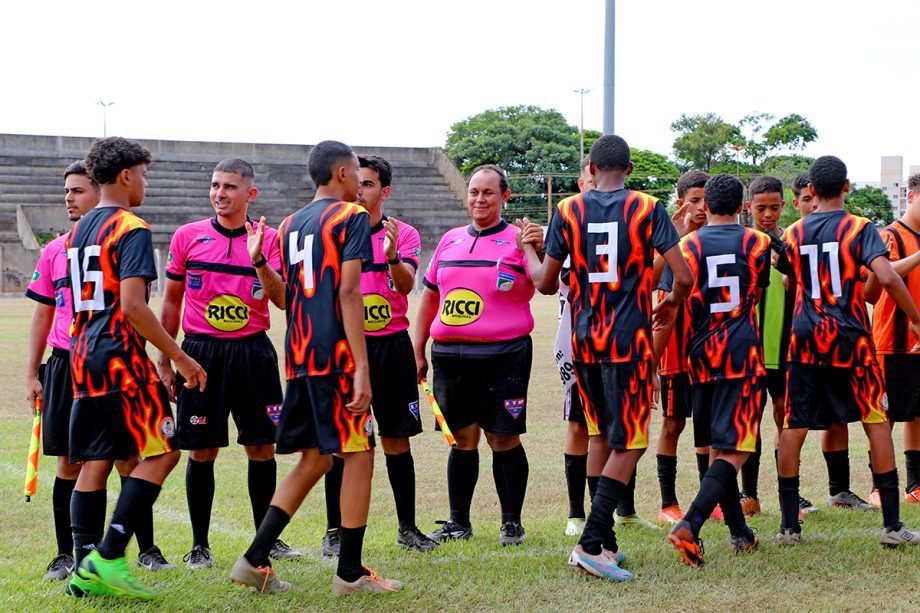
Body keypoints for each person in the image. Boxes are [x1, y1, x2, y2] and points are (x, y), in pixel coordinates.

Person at [230, 140, 401, 595]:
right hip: (337, 356)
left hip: (301, 355)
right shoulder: (351, 217)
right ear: (344, 173)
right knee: (360, 456)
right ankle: (349, 572)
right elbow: (348, 294)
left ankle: (253, 559)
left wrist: (261, 262)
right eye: (357, 176)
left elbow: (289, 298)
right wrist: (362, 368)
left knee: (316, 458)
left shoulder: (288, 224)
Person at [529, 135, 691, 581]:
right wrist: (672, 304)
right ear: (630, 169)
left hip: (584, 343)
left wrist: (528, 250)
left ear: (592, 169)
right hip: (628, 342)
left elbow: (544, 283)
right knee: (632, 441)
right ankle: (591, 541)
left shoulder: (567, 209)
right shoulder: (647, 207)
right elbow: (684, 274)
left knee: (600, 435)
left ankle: (605, 542)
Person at [66, 137, 206, 599]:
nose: (144, 182)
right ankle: (106, 558)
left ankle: (83, 565)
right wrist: (181, 357)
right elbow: (132, 306)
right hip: (120, 358)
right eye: (142, 173)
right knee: (164, 450)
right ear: (126, 175)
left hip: (83, 356)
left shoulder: (80, 229)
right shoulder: (131, 227)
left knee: (97, 458)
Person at [25, 162, 172, 579]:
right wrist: (31, 373)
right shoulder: (96, 237)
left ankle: (123, 554)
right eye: (66, 191)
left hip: (96, 359)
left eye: (77, 190)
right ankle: (86, 556)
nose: (70, 198)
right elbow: (128, 306)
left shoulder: (94, 235)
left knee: (112, 457)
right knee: (97, 459)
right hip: (93, 360)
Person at [158, 159, 297, 570]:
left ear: (250, 194)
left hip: (253, 352)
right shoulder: (188, 236)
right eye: (216, 186)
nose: (220, 194)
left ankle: (265, 542)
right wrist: (166, 360)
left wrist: (259, 261)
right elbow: (170, 302)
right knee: (201, 451)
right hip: (202, 354)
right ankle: (199, 545)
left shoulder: (269, 239)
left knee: (261, 447)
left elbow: (284, 300)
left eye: (230, 187)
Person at [775, 155, 920, 547]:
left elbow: (790, 283)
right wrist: (916, 317)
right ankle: (892, 526)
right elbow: (886, 276)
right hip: (850, 336)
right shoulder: (859, 228)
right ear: (847, 187)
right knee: (875, 420)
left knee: (794, 425)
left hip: (804, 337)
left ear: (812, 191)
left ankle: (789, 526)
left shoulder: (793, 232)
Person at [414, 164, 538, 547]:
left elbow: (547, 283)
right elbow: (430, 298)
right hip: (450, 357)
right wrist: (417, 349)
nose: (479, 199)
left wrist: (534, 248)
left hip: (504, 356)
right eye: (473, 192)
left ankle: (511, 523)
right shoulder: (450, 241)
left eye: (488, 193)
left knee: (503, 439)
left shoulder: (520, 241)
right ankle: (458, 523)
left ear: (505, 197)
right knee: (461, 440)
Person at [321, 154, 436, 554]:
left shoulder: (403, 234)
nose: (360, 190)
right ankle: (335, 532)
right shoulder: (334, 232)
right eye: (358, 182)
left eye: (369, 184)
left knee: (396, 440)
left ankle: (408, 528)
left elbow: (406, 287)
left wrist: (389, 256)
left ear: (384, 191)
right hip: (347, 349)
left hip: (391, 347)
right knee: (344, 444)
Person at [661, 174, 769, 566]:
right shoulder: (758, 242)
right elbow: (757, 295)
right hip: (741, 354)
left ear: (703, 206)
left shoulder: (686, 246)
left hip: (699, 356)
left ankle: (740, 532)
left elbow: (675, 300)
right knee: (737, 448)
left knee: (713, 451)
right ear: (742, 207)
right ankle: (690, 522)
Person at [788, 173, 873, 511]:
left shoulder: (843, 235)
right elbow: (785, 285)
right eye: (806, 202)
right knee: (793, 418)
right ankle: (790, 499)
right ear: (800, 201)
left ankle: (839, 489)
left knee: (838, 416)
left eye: (814, 200)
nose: (812, 206)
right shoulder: (792, 238)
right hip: (802, 338)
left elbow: (871, 287)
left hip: (829, 336)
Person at [653, 170, 718, 525]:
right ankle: (668, 502)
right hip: (677, 348)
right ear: (680, 204)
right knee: (673, 422)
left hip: (709, 347)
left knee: (707, 426)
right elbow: (654, 284)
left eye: (706, 200)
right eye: (694, 201)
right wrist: (675, 239)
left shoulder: (718, 238)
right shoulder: (672, 241)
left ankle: (709, 500)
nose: (700, 207)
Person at [866, 172, 920, 504]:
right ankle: (878, 487)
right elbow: (882, 274)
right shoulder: (890, 234)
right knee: (883, 416)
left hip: (918, 341)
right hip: (892, 339)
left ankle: (915, 485)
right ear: (911, 196)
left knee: (917, 414)